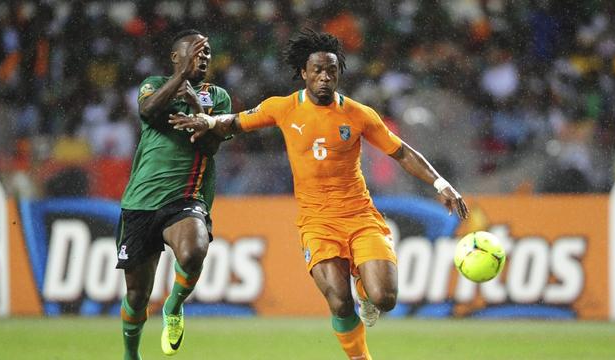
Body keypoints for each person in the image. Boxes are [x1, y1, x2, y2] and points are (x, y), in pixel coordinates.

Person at [170, 28, 468, 360]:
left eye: (331, 71)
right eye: (317, 71)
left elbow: (402, 152)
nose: (324, 77)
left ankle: (365, 292)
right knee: (338, 301)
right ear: (304, 73)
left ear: (339, 74)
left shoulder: (359, 114)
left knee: (385, 298)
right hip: (317, 223)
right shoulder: (283, 108)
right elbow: (236, 121)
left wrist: (441, 184)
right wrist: (209, 123)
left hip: (360, 217)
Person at [116, 29, 231, 360]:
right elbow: (149, 112)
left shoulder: (217, 97)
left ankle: (174, 305)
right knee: (137, 296)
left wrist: (200, 114)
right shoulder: (153, 84)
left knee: (195, 250)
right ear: (175, 57)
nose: (204, 56)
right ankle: (130, 354)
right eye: (196, 50)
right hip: (140, 202)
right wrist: (181, 80)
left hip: (186, 198)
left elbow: (212, 147)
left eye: (207, 51)